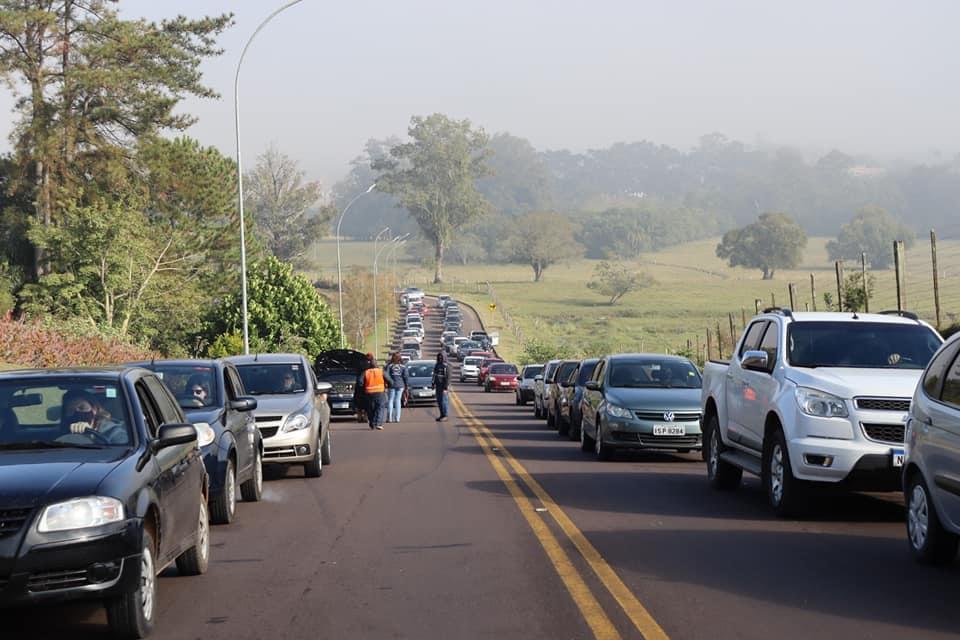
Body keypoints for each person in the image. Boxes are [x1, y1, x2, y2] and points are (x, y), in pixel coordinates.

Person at [62, 391, 128, 445]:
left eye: (82, 408)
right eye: (71, 410)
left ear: (94, 409)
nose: (77, 413)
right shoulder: (62, 432)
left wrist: (91, 436)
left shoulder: (114, 432)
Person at [361, 353, 387, 430]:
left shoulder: (366, 372)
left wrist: (363, 386)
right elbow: (390, 380)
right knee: (380, 407)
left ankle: (372, 423)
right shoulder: (381, 371)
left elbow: (360, 381)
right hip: (380, 391)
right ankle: (378, 423)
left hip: (369, 392)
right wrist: (387, 385)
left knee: (370, 408)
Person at [384, 353, 409, 423]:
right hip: (400, 385)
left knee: (390, 400)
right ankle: (397, 418)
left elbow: (386, 375)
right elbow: (406, 377)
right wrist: (406, 386)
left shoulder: (389, 366)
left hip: (391, 385)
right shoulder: (403, 366)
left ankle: (389, 418)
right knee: (398, 400)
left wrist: (389, 382)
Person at [432, 352, 450, 422]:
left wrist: (445, 387)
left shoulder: (446, 366)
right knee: (439, 401)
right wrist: (433, 383)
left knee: (444, 401)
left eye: (441, 357)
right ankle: (442, 415)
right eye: (439, 357)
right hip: (438, 385)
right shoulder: (437, 365)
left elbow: (448, 377)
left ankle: (445, 415)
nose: (440, 358)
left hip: (443, 386)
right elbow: (434, 374)